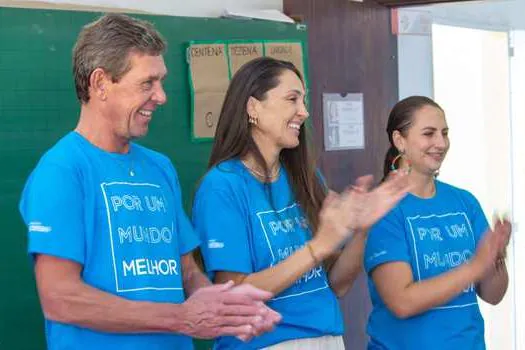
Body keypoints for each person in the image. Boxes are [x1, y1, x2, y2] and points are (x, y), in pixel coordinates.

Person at [18, 14, 281, 350]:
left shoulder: (160, 168)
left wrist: (221, 303)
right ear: (100, 84)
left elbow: (187, 272)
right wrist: (181, 318)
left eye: (161, 82)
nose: (161, 97)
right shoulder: (62, 170)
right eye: (147, 83)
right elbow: (60, 297)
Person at [191, 57, 412, 349]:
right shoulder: (223, 186)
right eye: (292, 99)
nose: (304, 112)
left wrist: (362, 230)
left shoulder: (306, 179)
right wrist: (318, 246)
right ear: (253, 107)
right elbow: (234, 297)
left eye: (303, 100)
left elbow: (337, 284)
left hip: (327, 339)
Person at [363, 96, 511, 350]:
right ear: (400, 141)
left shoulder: (465, 202)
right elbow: (402, 302)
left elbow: (493, 295)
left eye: (444, 133)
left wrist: (495, 256)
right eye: (429, 134)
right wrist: (475, 266)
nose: (441, 143)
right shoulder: (383, 207)